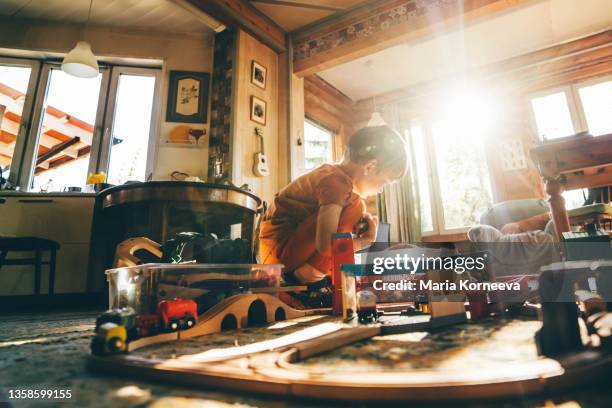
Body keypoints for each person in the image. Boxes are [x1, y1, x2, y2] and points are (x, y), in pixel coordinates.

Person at [258, 125, 408, 293]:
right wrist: (364, 241)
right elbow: (326, 246)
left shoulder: (332, 176)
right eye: (384, 182)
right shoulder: (337, 184)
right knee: (355, 206)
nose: (380, 189)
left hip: (278, 254)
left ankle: (320, 278)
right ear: (370, 166)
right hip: (278, 257)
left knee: (352, 212)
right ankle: (305, 278)